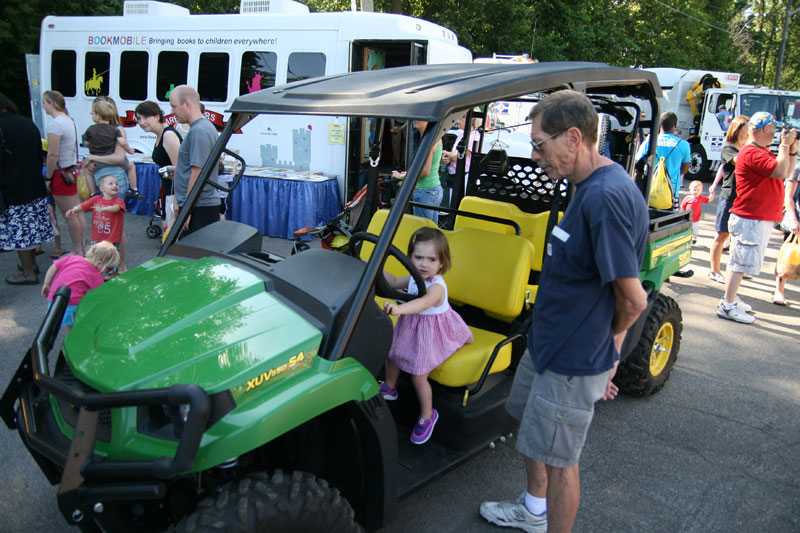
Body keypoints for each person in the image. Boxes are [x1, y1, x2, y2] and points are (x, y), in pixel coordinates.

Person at [479, 90, 648, 533]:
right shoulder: (586, 185)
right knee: (535, 436)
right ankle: (534, 511)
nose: (535, 157)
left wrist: (608, 353)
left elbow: (633, 300)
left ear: (574, 138)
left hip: (574, 358)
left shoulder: (605, 199)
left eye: (539, 144)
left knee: (561, 462)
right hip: (550, 344)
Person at [378, 227, 472, 445]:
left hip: (432, 330)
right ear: (409, 257)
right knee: (392, 354)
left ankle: (428, 416)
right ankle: (389, 387)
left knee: (419, 374)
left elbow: (424, 303)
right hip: (412, 325)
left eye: (431, 259)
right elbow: (392, 282)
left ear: (441, 263)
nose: (423, 264)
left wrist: (400, 309)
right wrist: (370, 265)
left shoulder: (437, 287)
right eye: (418, 257)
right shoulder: (413, 277)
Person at [717, 112, 798, 323]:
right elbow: (780, 172)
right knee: (740, 262)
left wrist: (792, 151)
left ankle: (731, 299)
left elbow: (786, 170)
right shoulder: (752, 152)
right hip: (750, 217)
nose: (776, 133)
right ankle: (727, 304)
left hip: (756, 217)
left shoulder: (760, 151)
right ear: (765, 129)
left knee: (743, 262)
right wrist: (783, 146)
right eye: (773, 129)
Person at [0, 93, 56, 285]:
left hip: (13, 187)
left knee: (20, 232)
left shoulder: (2, 127)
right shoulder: (27, 123)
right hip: (34, 183)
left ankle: (28, 273)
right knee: (31, 227)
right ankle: (31, 264)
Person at [168, 85, 221, 234]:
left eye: (174, 106)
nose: (172, 112)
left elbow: (197, 172)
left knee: (192, 255)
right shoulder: (201, 128)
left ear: (187, 104)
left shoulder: (199, 131)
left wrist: (186, 208)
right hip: (199, 204)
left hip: (199, 206)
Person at [42, 90, 87, 255]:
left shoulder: (55, 124)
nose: (43, 106)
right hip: (72, 170)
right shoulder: (70, 120)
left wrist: (48, 176)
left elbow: (53, 154)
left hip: (61, 174)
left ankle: (77, 250)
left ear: (52, 103)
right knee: (76, 211)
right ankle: (82, 247)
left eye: (45, 102)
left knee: (70, 215)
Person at [41, 241, 119, 333]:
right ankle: (71, 343)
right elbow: (100, 294)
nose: (107, 272)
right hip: (72, 303)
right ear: (100, 263)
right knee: (72, 327)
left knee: (53, 322)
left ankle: (46, 337)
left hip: (54, 297)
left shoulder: (72, 258)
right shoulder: (95, 274)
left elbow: (53, 267)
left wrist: (46, 284)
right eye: (108, 268)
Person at [708, 115, 749, 284]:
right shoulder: (729, 148)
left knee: (739, 237)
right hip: (729, 197)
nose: (750, 132)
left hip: (743, 198)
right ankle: (714, 271)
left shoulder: (745, 148)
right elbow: (740, 162)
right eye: (748, 128)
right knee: (722, 235)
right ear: (738, 129)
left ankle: (736, 270)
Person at [135, 100, 182, 233]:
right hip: (167, 189)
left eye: (145, 117)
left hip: (174, 192)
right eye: (139, 118)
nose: (141, 122)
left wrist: (176, 200)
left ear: (157, 116)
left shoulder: (168, 135)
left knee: (172, 234)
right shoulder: (160, 135)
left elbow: (180, 170)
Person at [81, 97, 141, 199]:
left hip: (114, 181)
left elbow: (118, 158)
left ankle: (92, 194)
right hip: (100, 181)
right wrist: (130, 150)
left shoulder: (117, 130)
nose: (91, 114)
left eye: (93, 112)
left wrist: (93, 157)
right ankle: (134, 189)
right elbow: (123, 145)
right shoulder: (108, 130)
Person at [391, 120, 444, 224]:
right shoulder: (435, 137)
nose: (416, 119)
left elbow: (425, 172)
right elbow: (433, 166)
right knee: (431, 230)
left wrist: (402, 177)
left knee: (424, 232)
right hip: (434, 189)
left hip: (425, 191)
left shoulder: (428, 140)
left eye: (422, 117)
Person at [638, 111, 691, 199]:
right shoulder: (683, 144)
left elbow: (638, 164)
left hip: (649, 190)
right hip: (671, 191)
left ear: (659, 125)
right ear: (675, 125)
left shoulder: (649, 142)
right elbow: (684, 169)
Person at [66, 174, 125, 251]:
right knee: (96, 258)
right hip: (97, 237)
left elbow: (116, 208)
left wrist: (104, 209)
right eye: (111, 183)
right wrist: (74, 210)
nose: (115, 185)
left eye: (117, 184)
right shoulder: (96, 199)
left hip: (112, 238)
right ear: (102, 188)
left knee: (111, 259)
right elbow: (83, 205)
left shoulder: (118, 201)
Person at [773, 162, 800, 305]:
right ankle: (779, 291)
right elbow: (788, 196)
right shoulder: (797, 167)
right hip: (798, 219)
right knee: (787, 255)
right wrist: (793, 220)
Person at [441, 115, 482, 209]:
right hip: (454, 174)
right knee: (453, 203)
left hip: (463, 175)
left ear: (469, 121)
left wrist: (444, 152)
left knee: (458, 205)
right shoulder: (461, 135)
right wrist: (446, 158)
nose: (457, 121)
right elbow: (454, 155)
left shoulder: (473, 136)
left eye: (460, 118)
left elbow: (458, 156)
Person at [680, 180, 714, 245]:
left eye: (698, 190)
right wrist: (681, 215)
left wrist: (712, 194)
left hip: (696, 218)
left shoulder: (701, 198)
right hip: (687, 218)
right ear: (690, 190)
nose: (696, 192)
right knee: (686, 228)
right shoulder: (687, 198)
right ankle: (685, 238)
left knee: (695, 229)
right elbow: (682, 207)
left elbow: (709, 199)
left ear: (701, 191)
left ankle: (694, 237)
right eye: (694, 190)